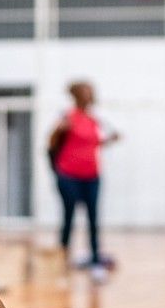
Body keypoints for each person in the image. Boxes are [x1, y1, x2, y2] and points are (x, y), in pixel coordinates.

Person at [50, 80, 118, 277]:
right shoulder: (68, 117)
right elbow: (52, 141)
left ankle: (96, 260)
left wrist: (110, 140)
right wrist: (60, 129)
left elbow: (93, 142)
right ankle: (61, 259)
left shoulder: (93, 120)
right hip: (69, 176)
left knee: (93, 219)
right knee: (68, 218)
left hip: (92, 176)